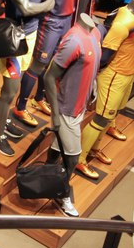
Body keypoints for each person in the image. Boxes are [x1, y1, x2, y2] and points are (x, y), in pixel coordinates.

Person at [0, 0, 54, 157]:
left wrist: (42, 6)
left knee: (14, 87)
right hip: (14, 40)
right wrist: (46, 6)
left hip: (31, 35)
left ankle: (2, 120)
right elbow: (26, 8)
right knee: (9, 90)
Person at [13, 0, 82, 127]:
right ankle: (20, 106)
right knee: (39, 64)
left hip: (66, 19)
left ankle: (39, 98)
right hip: (51, 20)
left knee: (53, 62)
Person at [77, 0, 134, 180]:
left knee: (111, 115)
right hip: (114, 75)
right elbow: (105, 54)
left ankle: (94, 148)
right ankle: (79, 158)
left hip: (128, 73)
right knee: (101, 117)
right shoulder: (121, 24)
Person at [43, 12, 102, 216]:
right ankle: (61, 194)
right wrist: (55, 114)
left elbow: (92, 65)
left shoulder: (95, 33)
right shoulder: (74, 41)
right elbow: (49, 77)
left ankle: (47, 179)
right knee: (73, 158)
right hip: (67, 109)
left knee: (58, 148)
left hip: (79, 106)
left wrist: (93, 85)